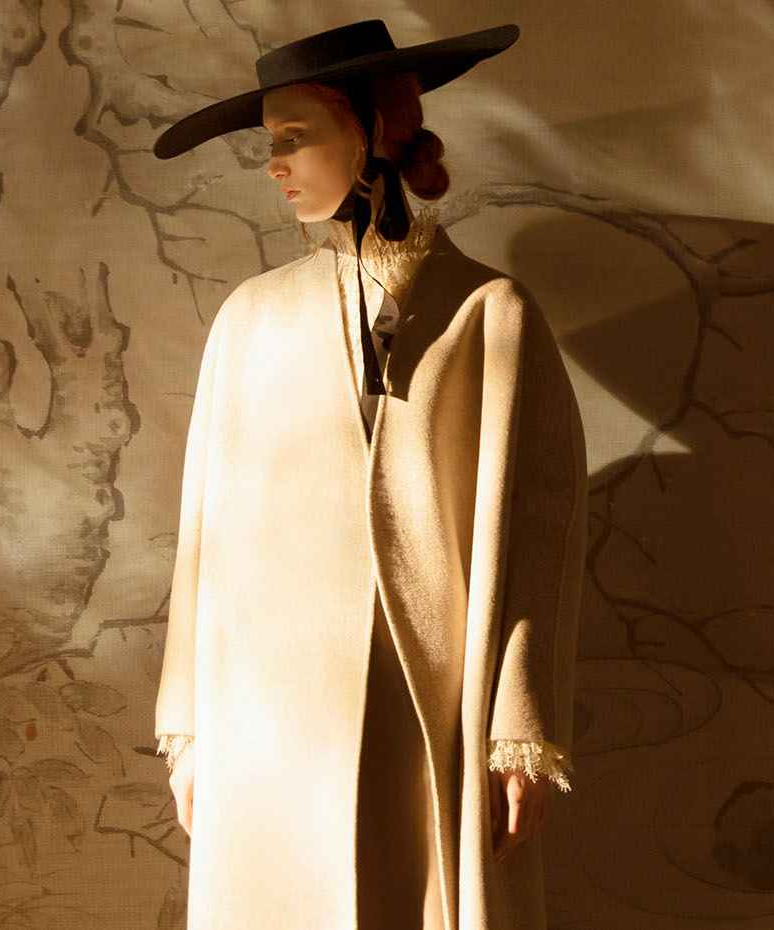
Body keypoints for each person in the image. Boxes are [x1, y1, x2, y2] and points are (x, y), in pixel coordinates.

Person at [149, 19, 589, 930]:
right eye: (269, 144)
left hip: (428, 693)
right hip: (269, 718)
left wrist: (519, 726)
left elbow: (539, 537)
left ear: (372, 131)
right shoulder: (249, 320)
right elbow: (203, 535)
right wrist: (187, 727)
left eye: (293, 136)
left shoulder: (489, 315)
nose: (275, 165)